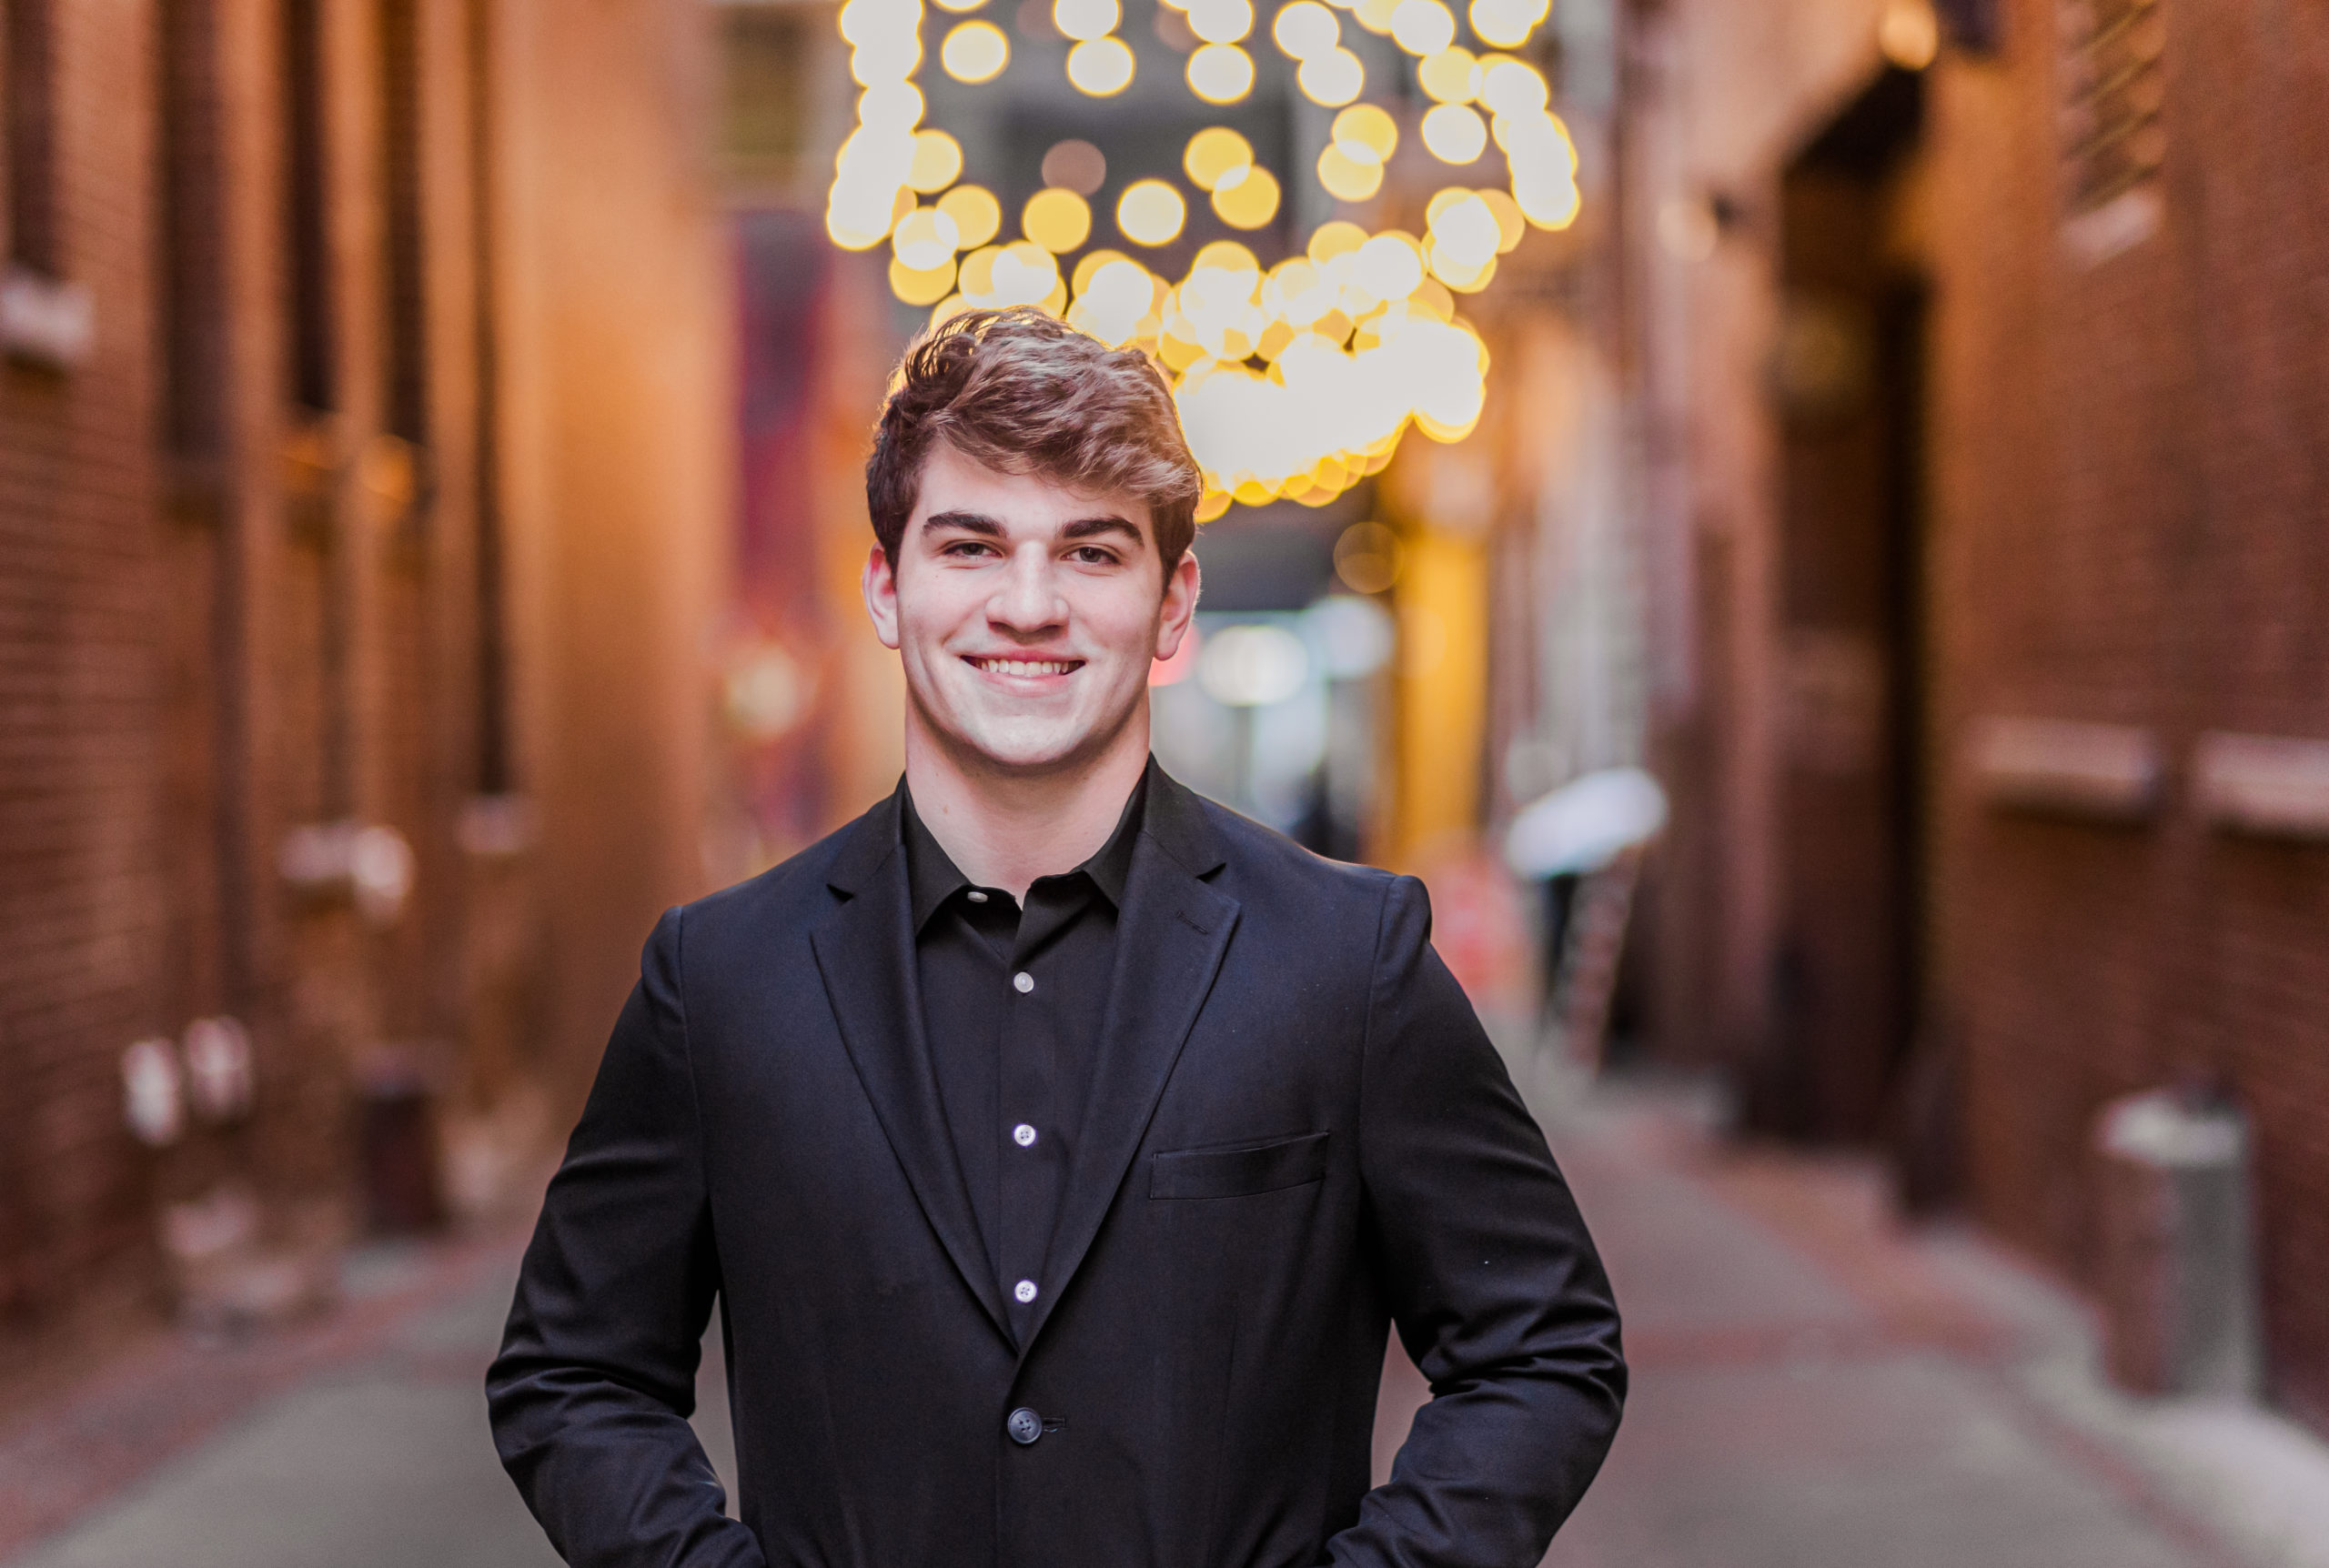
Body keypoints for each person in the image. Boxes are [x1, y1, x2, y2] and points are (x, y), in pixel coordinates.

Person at [487, 307, 1625, 1568]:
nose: (1028, 606)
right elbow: (572, 1375)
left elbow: (1543, 1350)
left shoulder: (1348, 960)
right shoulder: (720, 980)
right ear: (886, 586)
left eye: (1091, 554)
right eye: (971, 545)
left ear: (1174, 600)